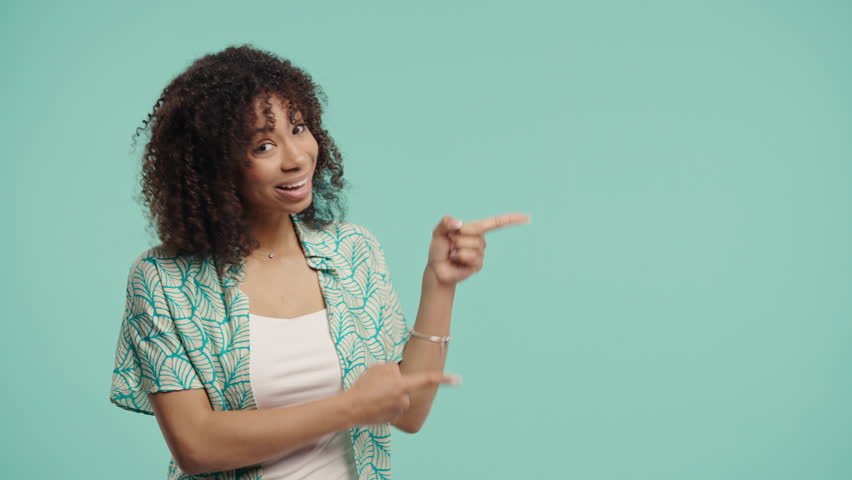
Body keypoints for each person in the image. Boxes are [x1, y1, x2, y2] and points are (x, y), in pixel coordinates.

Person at [109, 43, 530, 480]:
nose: (296, 158)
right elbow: (196, 445)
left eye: (298, 128)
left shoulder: (353, 252)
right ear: (215, 166)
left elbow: (407, 413)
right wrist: (348, 408)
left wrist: (440, 283)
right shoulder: (163, 282)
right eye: (264, 146)